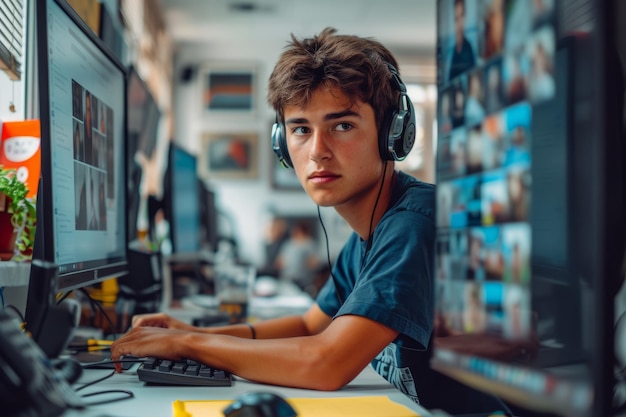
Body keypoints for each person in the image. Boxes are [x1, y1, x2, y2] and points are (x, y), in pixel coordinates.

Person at [110, 28, 505, 413]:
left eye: (342, 125)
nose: (318, 151)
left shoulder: (416, 223)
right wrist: (193, 332)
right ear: (283, 144)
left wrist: (189, 347)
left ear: (392, 134)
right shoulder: (368, 234)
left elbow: (326, 362)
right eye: (301, 128)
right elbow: (309, 326)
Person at [274, 220, 320, 294]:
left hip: (303, 282)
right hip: (287, 279)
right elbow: (279, 262)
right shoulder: (288, 244)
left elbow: (314, 264)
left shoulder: (309, 244)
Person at [448, 0, 476, 81]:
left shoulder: (469, 48)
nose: (459, 23)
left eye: (462, 16)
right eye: (456, 19)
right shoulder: (451, 52)